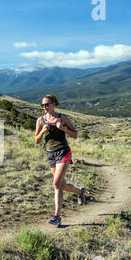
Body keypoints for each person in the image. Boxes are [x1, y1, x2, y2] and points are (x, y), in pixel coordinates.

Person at [35, 94, 86, 226]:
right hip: (50, 154)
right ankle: (80, 192)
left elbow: (75, 135)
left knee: (56, 184)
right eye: (43, 105)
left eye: (47, 104)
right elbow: (36, 140)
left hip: (63, 152)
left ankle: (57, 216)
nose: (44, 107)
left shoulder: (62, 118)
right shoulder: (40, 120)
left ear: (54, 104)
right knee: (62, 185)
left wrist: (63, 128)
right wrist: (42, 132)